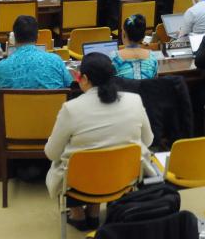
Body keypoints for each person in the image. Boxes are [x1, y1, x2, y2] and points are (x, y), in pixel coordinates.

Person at [45, 53, 153, 230]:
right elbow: (147, 140)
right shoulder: (135, 100)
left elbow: (51, 153)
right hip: (123, 178)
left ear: (85, 78)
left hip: (81, 182)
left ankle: (78, 213)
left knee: (64, 160)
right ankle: (94, 212)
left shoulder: (71, 108)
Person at [0, 16, 72, 96]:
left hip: (15, 110)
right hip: (51, 110)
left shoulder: (0, 68)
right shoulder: (56, 61)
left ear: (13, 37)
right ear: (38, 36)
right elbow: (68, 83)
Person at [111, 15, 159, 80]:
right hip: (147, 90)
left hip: (123, 90)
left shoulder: (114, 57)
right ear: (143, 36)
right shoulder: (152, 57)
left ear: (124, 34)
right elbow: (155, 82)